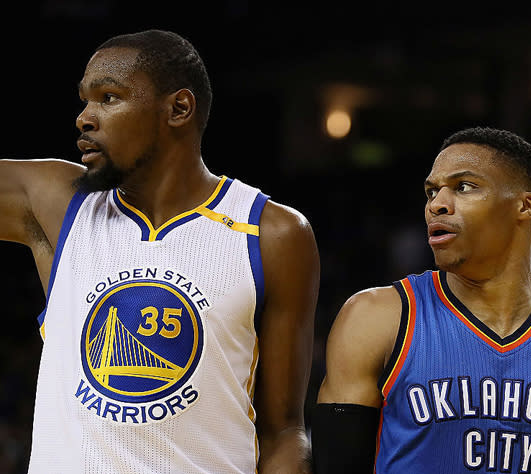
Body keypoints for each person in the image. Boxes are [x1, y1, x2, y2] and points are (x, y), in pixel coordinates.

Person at [0, 29, 319, 473]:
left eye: (108, 98)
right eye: (85, 101)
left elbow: (283, 432)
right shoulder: (59, 204)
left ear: (178, 109)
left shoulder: (273, 232)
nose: (84, 118)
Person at [311, 127, 531, 473]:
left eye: (464, 187)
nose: (437, 204)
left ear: (526, 205)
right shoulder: (376, 317)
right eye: (431, 191)